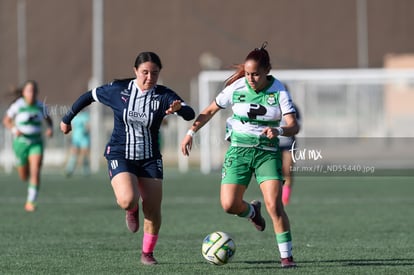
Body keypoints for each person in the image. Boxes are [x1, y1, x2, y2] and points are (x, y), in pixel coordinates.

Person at [60, 52, 195, 265]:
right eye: (145, 72)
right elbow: (89, 96)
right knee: (127, 199)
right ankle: (131, 210)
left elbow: (189, 113)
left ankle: (147, 253)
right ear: (135, 72)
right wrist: (67, 119)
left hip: (150, 158)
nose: (150, 77)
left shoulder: (164, 95)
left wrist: (180, 109)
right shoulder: (118, 90)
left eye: (154, 73)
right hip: (120, 153)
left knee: (152, 209)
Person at [181, 43, 299, 268]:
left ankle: (287, 257)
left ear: (267, 71)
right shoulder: (236, 87)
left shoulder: (279, 90)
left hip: (267, 153)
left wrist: (279, 130)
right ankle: (252, 211)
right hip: (239, 151)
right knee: (228, 205)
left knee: (274, 205)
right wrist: (190, 132)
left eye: (255, 74)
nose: (251, 78)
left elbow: (294, 125)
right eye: (247, 73)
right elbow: (209, 111)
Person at [2, 80, 54, 212]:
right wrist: (14, 130)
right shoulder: (17, 106)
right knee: (24, 176)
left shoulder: (41, 106)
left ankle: (30, 202)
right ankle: (27, 175)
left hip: (36, 143)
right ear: (24, 92)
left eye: (34, 91)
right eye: (29, 90)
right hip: (21, 144)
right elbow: (6, 121)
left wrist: (50, 129)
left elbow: (49, 120)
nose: (32, 93)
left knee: (35, 170)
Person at [278, 89, 301, 206]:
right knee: (275, 172)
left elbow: (297, 126)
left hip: (288, 144)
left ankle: (285, 197)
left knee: (287, 170)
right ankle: (275, 195)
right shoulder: (270, 107)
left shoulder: (293, 108)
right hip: (273, 144)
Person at [64, 110, 90, 177]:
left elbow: (88, 126)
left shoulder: (85, 116)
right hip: (76, 138)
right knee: (74, 154)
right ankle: (70, 170)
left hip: (84, 138)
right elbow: (71, 127)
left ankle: (86, 170)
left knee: (85, 154)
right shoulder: (74, 116)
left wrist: (87, 129)